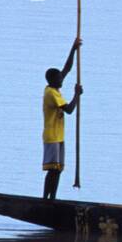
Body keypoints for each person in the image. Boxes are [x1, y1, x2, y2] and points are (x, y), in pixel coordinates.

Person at [42, 37, 83, 200]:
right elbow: (69, 109)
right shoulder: (51, 93)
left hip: (59, 136)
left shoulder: (55, 87)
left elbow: (67, 68)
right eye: (59, 78)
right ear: (53, 80)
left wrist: (73, 49)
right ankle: (45, 198)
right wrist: (77, 95)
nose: (62, 79)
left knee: (58, 169)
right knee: (52, 169)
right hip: (52, 136)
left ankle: (53, 198)